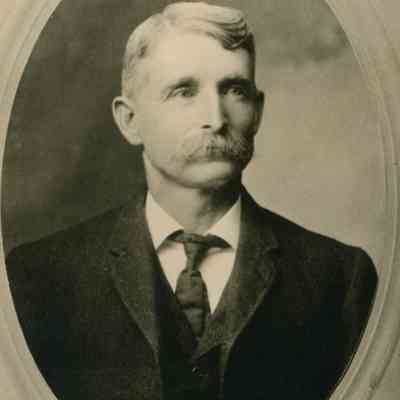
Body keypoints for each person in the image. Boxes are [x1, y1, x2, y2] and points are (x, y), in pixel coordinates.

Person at [6, 2, 377, 400]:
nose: (215, 118)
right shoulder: (37, 279)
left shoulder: (340, 281)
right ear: (130, 121)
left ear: (257, 113)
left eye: (234, 90)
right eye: (184, 91)